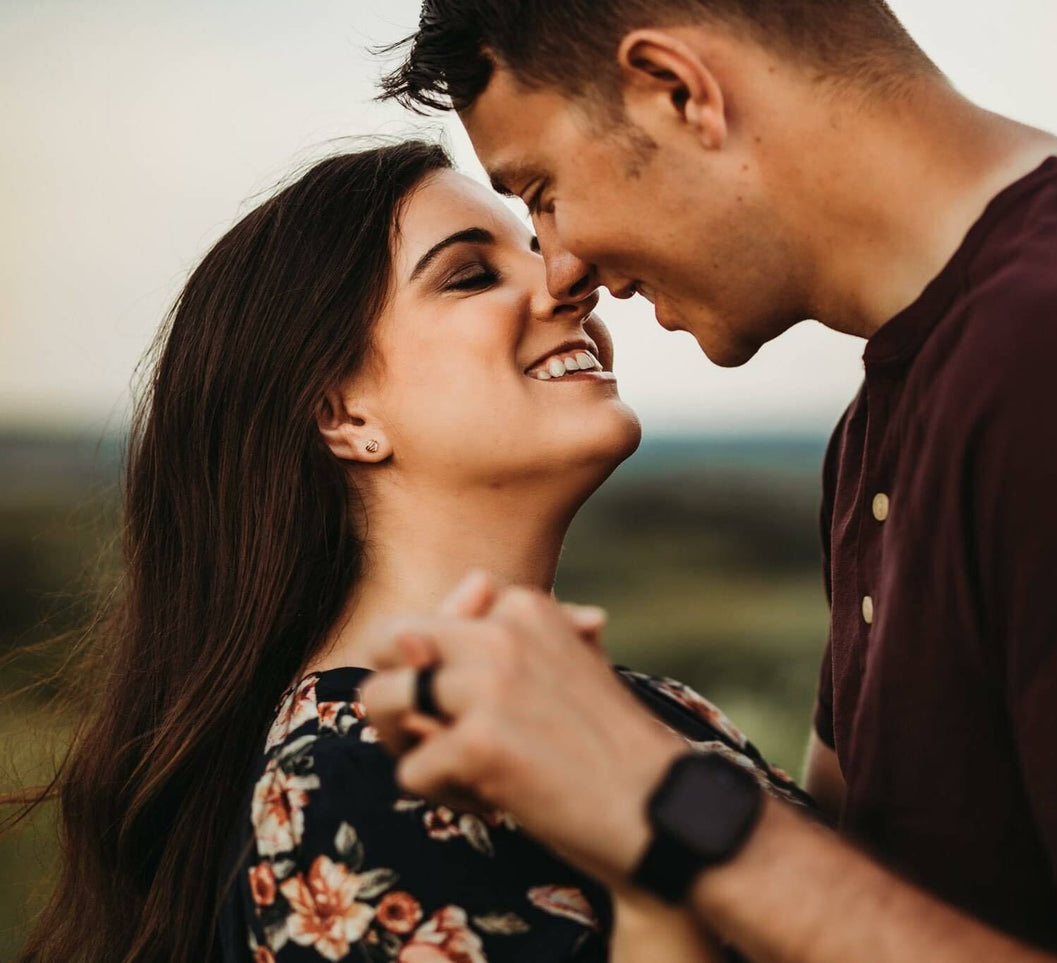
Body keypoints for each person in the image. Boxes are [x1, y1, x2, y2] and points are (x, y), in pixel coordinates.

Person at [355, 1, 1057, 961]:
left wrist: (665, 804)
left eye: (543, 192)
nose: (563, 267)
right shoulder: (896, 410)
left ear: (678, 91)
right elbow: (855, 888)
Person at [10, 140, 812, 963]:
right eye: (470, 275)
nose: (568, 280)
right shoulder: (346, 793)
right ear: (344, 414)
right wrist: (655, 868)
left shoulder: (663, 712)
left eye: (535, 246)